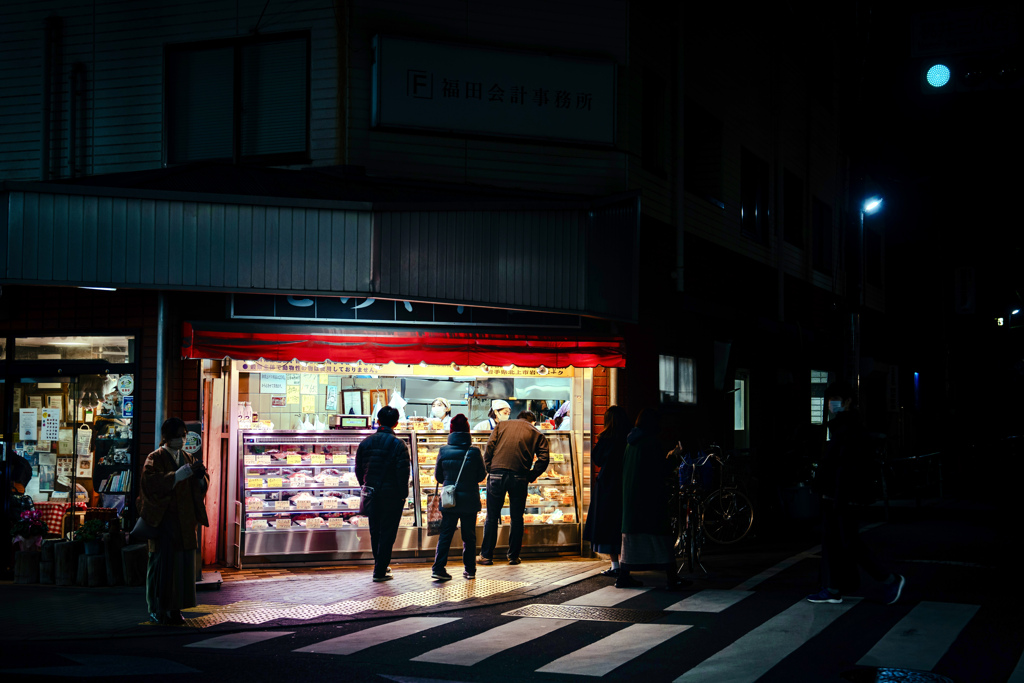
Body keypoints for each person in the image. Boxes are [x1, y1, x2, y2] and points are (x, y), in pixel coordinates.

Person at [807, 381, 905, 605]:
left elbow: (843, 467)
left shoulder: (847, 430)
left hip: (841, 497)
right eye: (830, 401)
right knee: (837, 543)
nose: (831, 405)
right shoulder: (846, 427)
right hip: (840, 495)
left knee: (848, 542)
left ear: (847, 401)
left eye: (835, 400)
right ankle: (833, 588)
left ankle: (888, 579)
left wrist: (833, 494)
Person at [139, 417, 210, 625]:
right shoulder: (155, 457)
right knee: (160, 565)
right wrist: (175, 476)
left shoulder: (188, 457)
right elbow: (149, 485)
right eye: (177, 436)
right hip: (163, 522)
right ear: (166, 437)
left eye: (183, 435)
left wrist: (200, 478)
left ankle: (175, 608)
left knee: (180, 567)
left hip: (184, 522)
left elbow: (200, 488)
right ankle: (156, 608)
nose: (181, 440)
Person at [616, 408, 689, 590]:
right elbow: (660, 470)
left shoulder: (631, 443)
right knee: (661, 539)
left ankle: (624, 576)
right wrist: (674, 457)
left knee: (631, 543)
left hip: (632, 500)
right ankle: (672, 578)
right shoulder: (650, 442)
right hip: (649, 500)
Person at [477, 410, 549, 565]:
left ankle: (486, 556)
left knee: (492, 517)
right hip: (519, 476)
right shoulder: (535, 432)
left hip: (496, 475)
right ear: (533, 422)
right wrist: (531, 475)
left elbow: (488, 448)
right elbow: (544, 458)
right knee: (517, 518)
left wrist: (490, 468)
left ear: (518, 419)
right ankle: (513, 556)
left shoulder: (501, 425)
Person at [356, 405, 412, 582]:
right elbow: (403, 473)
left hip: (372, 494)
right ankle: (380, 569)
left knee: (375, 531)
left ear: (378, 421)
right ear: (395, 424)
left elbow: (358, 469)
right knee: (388, 533)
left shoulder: (365, 442)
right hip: (392, 495)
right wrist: (403, 494)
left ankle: (379, 565)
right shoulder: (399, 444)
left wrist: (365, 486)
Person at [431, 414, 487, 580]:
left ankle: (438, 568)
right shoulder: (474, 451)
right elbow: (481, 476)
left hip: (449, 500)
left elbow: (439, 477)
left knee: (446, 534)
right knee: (469, 536)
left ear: (451, 431)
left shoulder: (443, 450)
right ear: (468, 431)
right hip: (469, 499)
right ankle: (470, 570)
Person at [582, 405, 629, 577]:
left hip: (606, 487)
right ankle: (625, 563)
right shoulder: (628, 439)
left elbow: (597, 460)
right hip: (623, 487)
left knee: (607, 525)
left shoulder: (605, 439)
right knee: (621, 525)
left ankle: (615, 564)